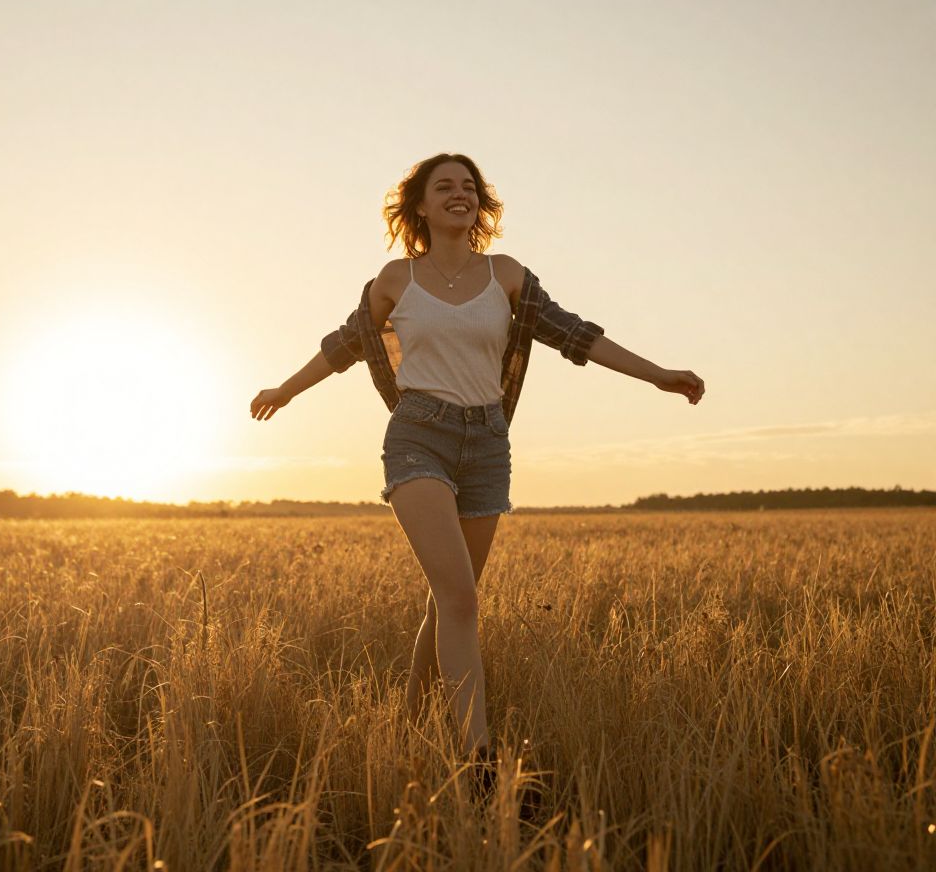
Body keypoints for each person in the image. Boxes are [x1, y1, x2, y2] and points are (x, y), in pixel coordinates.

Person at [249, 152, 705, 801]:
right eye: (446, 187)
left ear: (478, 205)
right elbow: (345, 344)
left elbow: (575, 336)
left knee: (447, 600)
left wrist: (657, 373)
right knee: (462, 599)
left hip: (488, 445)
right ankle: (482, 767)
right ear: (422, 207)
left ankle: (404, 727)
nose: (460, 194)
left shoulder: (507, 276)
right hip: (418, 438)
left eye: (469, 186)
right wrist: (286, 390)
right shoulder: (396, 279)